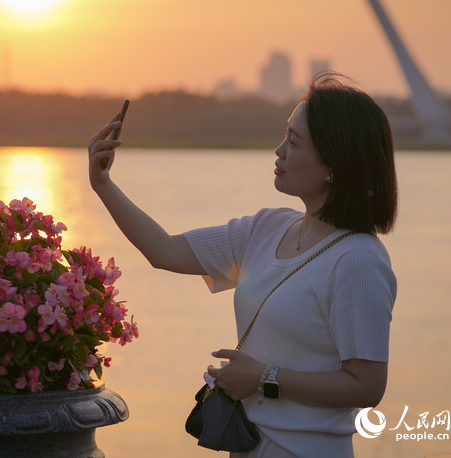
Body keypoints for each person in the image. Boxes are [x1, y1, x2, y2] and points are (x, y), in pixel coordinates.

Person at [87, 73, 398, 458]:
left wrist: (264, 378)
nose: (279, 150)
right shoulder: (268, 228)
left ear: (333, 165)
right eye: (285, 135)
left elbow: (366, 386)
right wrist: (103, 184)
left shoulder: (359, 260)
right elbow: (165, 251)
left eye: (294, 142)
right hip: (249, 447)